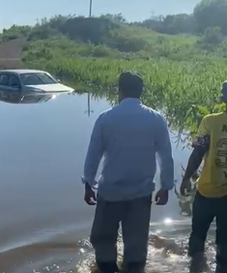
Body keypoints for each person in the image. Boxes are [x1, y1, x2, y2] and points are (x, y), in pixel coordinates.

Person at [81, 72, 174, 273]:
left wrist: (88, 184)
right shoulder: (156, 119)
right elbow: (166, 157)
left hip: (110, 193)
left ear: (120, 91)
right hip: (140, 194)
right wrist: (165, 187)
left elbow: (93, 155)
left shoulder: (106, 118)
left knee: (104, 242)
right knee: (137, 247)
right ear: (141, 92)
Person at [180, 80, 227, 273]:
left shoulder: (210, 121)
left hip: (206, 191)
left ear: (223, 97)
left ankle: (195, 267)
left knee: (197, 237)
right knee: (225, 244)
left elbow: (198, 153)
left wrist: (186, 178)